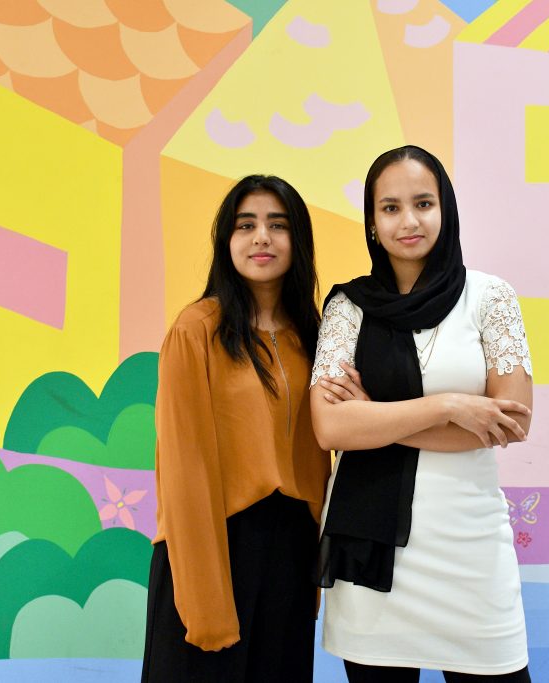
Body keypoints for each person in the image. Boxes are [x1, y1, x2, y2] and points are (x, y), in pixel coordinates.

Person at [310, 146, 534, 682]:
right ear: (371, 222)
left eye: (423, 203)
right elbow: (331, 427)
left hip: (469, 543)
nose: (408, 221)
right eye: (389, 208)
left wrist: (379, 422)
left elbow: (511, 422)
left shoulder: (489, 298)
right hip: (373, 555)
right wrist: (453, 406)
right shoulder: (348, 308)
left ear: (446, 209)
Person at [142, 175, 330, 682]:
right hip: (212, 546)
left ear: (299, 241)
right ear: (227, 241)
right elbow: (185, 470)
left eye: (277, 225)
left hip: (289, 553)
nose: (261, 238)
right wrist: (205, 602)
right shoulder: (196, 329)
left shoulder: (314, 337)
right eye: (246, 225)